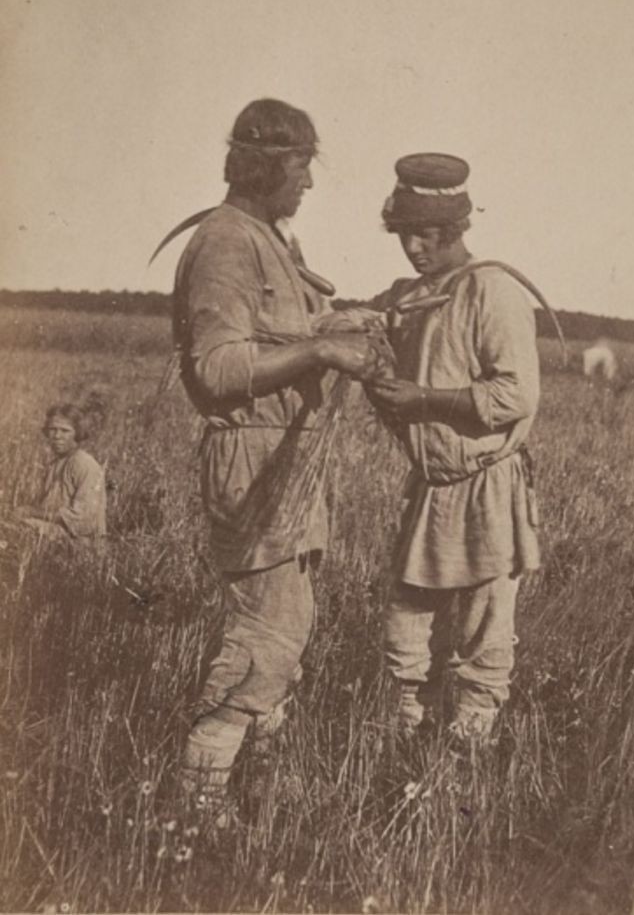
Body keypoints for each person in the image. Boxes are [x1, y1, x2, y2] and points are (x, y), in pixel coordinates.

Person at [171, 98, 379, 809]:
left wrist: (333, 321)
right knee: (263, 639)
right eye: (301, 166)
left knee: (283, 635)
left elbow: (268, 336)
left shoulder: (264, 237)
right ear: (266, 165)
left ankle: (256, 799)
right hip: (254, 465)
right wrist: (320, 347)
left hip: (284, 466)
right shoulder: (227, 242)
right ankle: (193, 820)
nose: (309, 184)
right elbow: (220, 369)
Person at [366, 153, 541, 744]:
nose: (415, 246)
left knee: (483, 635)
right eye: (406, 233)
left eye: (429, 234)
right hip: (431, 489)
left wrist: (423, 400)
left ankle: (466, 760)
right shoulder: (410, 295)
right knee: (407, 631)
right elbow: (360, 325)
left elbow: (515, 394)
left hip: (485, 486)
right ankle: (404, 744)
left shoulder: (492, 290)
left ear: (456, 230)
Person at [14, 403, 107, 542]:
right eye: (53, 430)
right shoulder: (55, 464)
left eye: (65, 431)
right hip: (55, 533)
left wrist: (33, 512)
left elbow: (85, 520)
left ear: (78, 433)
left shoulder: (84, 463)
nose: (57, 436)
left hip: (80, 542)